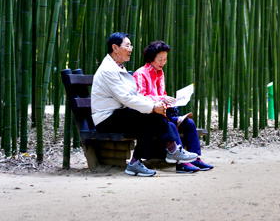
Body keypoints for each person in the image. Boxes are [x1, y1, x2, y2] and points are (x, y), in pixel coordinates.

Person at [91, 32, 199, 177]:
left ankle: (139, 161)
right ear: (115, 48)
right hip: (106, 119)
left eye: (131, 45)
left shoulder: (118, 67)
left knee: (151, 116)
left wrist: (154, 106)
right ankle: (172, 150)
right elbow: (126, 98)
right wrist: (154, 107)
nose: (131, 48)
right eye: (127, 45)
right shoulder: (108, 70)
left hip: (118, 114)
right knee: (151, 115)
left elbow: (134, 97)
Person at [133, 40, 214, 172]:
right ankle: (181, 163)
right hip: (151, 119)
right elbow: (139, 97)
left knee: (189, 124)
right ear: (151, 58)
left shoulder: (160, 74)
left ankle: (195, 159)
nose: (163, 62)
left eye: (165, 59)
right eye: (160, 59)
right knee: (170, 126)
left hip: (164, 114)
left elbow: (162, 95)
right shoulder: (140, 74)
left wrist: (173, 102)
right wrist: (162, 98)